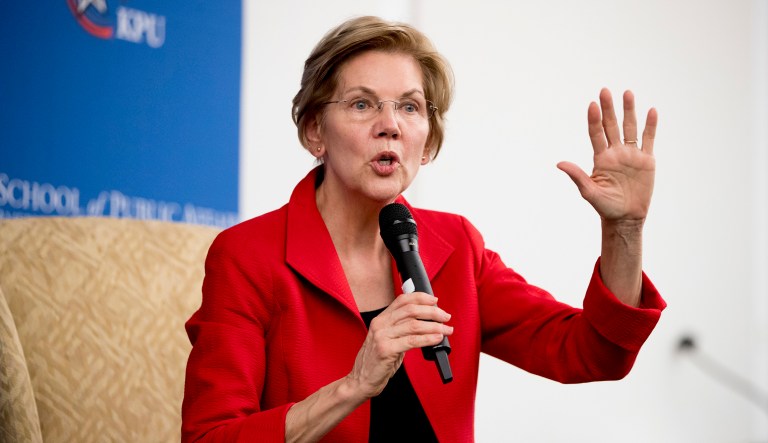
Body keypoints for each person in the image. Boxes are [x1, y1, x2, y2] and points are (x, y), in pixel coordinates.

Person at [181, 15, 666, 443]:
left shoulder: (456, 247)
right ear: (314, 131)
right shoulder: (247, 256)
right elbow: (210, 437)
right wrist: (354, 386)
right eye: (362, 104)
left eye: (410, 107)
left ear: (427, 142)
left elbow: (594, 352)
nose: (390, 125)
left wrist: (624, 229)